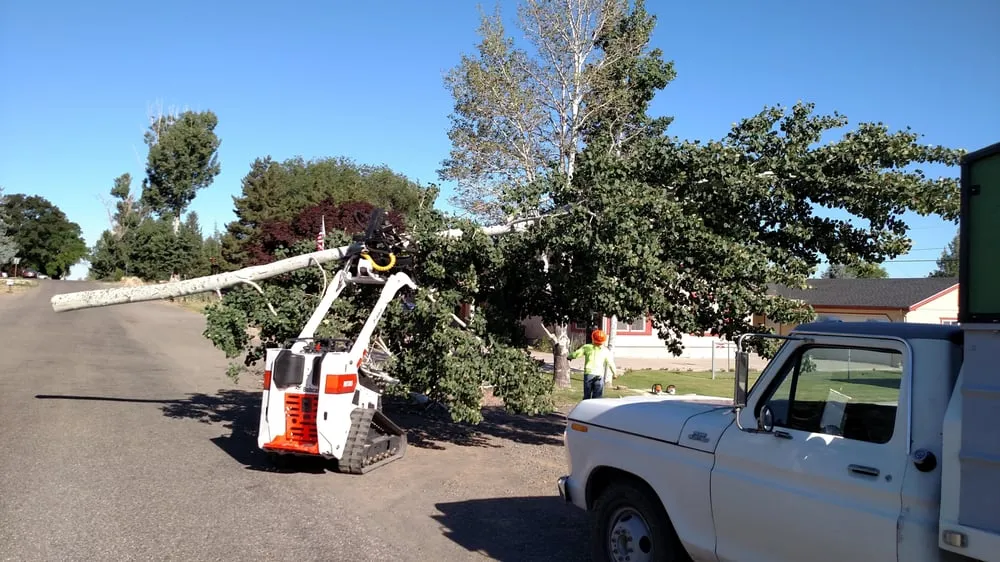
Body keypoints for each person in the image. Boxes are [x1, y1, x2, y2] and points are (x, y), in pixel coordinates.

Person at [568, 329, 617, 400]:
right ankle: (596, 409)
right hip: (599, 375)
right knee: (598, 397)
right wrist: (614, 373)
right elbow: (611, 363)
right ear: (603, 341)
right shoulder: (605, 350)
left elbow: (577, 353)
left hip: (589, 373)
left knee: (587, 396)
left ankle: (586, 409)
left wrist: (570, 356)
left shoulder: (587, 347)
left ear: (593, 338)